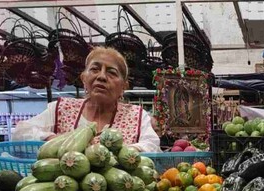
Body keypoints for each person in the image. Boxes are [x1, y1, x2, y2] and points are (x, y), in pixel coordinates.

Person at [12, 47, 161, 152]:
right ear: (84, 78)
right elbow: (20, 133)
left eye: (112, 72)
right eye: (95, 69)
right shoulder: (61, 109)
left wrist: (120, 153)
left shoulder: (137, 116)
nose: (101, 76)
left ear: (124, 86)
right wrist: (54, 140)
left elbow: (152, 147)